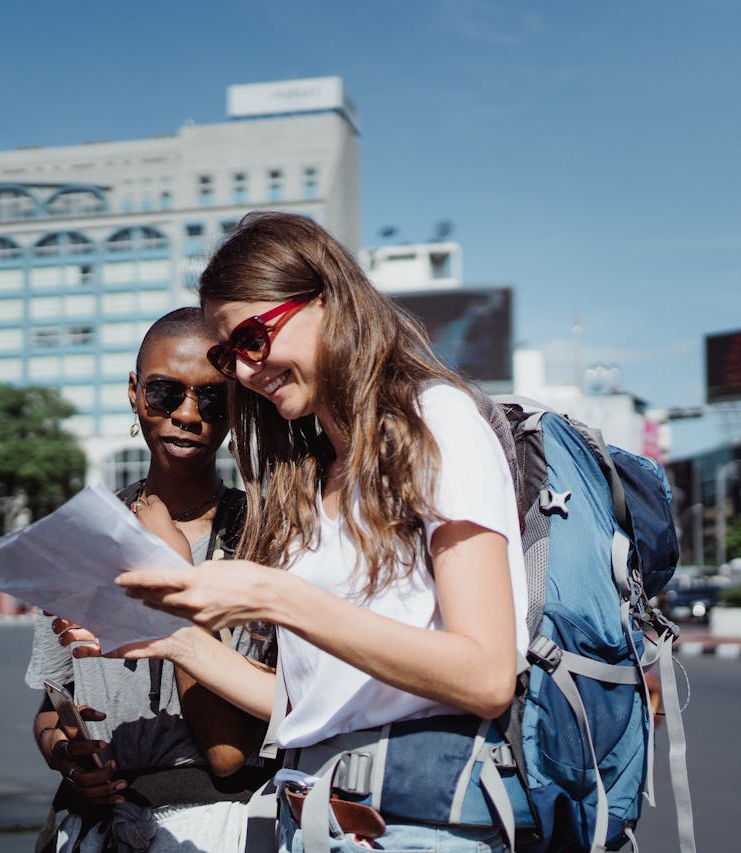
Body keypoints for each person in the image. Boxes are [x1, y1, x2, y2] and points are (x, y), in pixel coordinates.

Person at [62, 212, 529, 853]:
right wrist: (172, 638)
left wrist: (276, 597)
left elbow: (485, 674)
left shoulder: (435, 422)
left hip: (423, 822)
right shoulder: (309, 478)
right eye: (231, 355)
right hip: (309, 817)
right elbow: (311, 705)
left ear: (330, 303)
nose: (248, 372)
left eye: (254, 337)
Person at [27, 307, 275, 853]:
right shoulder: (81, 539)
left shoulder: (267, 539)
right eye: (166, 392)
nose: (188, 414)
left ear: (236, 409)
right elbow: (52, 707)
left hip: (216, 825)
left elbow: (228, 752)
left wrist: (173, 570)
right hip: (90, 829)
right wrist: (66, 756)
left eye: (212, 397)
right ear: (136, 393)